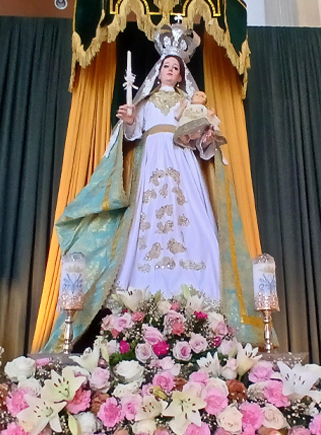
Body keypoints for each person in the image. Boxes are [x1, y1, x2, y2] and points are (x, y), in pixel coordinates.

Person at [42, 24, 265, 352]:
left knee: (195, 227)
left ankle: (199, 300)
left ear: (182, 74)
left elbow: (204, 148)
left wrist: (205, 137)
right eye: (166, 66)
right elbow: (130, 137)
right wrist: (129, 120)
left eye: (176, 67)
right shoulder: (143, 103)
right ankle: (141, 300)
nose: (170, 70)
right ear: (158, 70)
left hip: (182, 167)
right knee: (144, 229)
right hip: (151, 167)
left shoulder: (191, 105)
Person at [173, 90, 228, 161]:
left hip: (198, 126)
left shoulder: (203, 109)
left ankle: (202, 137)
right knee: (183, 131)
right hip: (187, 123)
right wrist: (182, 106)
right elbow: (177, 116)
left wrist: (210, 114)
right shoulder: (187, 105)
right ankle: (185, 138)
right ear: (191, 98)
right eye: (197, 95)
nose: (199, 97)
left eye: (202, 96)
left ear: (205, 102)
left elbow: (210, 120)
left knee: (203, 127)